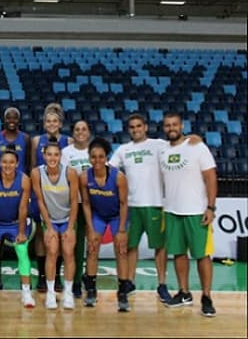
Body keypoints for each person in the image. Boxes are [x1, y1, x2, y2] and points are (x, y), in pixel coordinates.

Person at [108, 114, 173, 302]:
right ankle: (129, 282)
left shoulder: (159, 145)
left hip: (155, 204)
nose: (135, 129)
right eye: (132, 127)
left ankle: (162, 284)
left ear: (145, 127)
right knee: (131, 246)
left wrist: (194, 139)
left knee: (160, 247)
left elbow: (181, 146)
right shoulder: (123, 149)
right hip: (131, 206)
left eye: (138, 126)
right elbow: (109, 169)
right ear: (129, 129)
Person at [159, 112, 217, 317]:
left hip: (196, 211)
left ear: (182, 126)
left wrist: (211, 207)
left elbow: (210, 177)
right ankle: (184, 292)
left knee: (202, 255)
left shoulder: (197, 147)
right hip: (172, 210)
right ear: (164, 128)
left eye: (175, 124)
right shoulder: (162, 150)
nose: (171, 128)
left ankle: (207, 296)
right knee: (179, 254)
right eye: (167, 125)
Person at [0, 147, 35, 309]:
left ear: (17, 164)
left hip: (16, 223)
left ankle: (26, 293)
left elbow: (23, 208)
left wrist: (22, 232)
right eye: (4, 162)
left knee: (23, 252)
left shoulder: (24, 180)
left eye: (11, 162)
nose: (8, 165)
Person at [79, 137, 131, 312]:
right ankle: (91, 290)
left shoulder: (119, 177)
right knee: (92, 248)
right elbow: (85, 203)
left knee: (121, 250)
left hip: (117, 216)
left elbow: (124, 204)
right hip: (98, 216)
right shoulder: (85, 177)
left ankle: (122, 293)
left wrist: (122, 229)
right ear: (89, 157)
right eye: (94, 157)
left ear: (106, 157)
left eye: (101, 157)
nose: (97, 160)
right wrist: (91, 227)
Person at [31, 138, 79, 310]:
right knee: (52, 252)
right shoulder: (37, 173)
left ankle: (68, 292)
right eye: (49, 154)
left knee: (68, 252)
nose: (53, 158)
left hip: (67, 219)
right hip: (50, 219)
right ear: (43, 156)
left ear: (60, 156)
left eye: (56, 155)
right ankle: (51, 293)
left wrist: (71, 227)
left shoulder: (70, 173)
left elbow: (74, 201)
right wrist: (49, 227)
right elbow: (40, 201)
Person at [31, 103, 73, 293]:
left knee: (61, 238)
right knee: (42, 234)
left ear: (60, 123)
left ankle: (56, 276)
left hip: (61, 194)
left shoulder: (69, 141)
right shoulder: (36, 141)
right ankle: (42, 275)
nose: (51, 123)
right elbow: (32, 166)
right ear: (44, 123)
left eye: (55, 121)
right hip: (41, 192)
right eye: (48, 121)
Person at [0, 107, 31, 290]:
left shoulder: (26, 138)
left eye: (15, 117)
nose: (12, 120)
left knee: (18, 231)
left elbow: (28, 163)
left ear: (18, 120)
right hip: (0, 187)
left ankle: (26, 282)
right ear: (4, 120)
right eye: (8, 117)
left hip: (20, 188)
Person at [60, 120, 92, 299]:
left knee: (93, 244)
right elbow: (66, 178)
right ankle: (76, 281)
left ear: (89, 132)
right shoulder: (66, 153)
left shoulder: (94, 150)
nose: (80, 132)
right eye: (77, 129)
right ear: (73, 133)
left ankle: (90, 278)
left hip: (94, 203)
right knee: (76, 245)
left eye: (84, 129)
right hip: (74, 204)